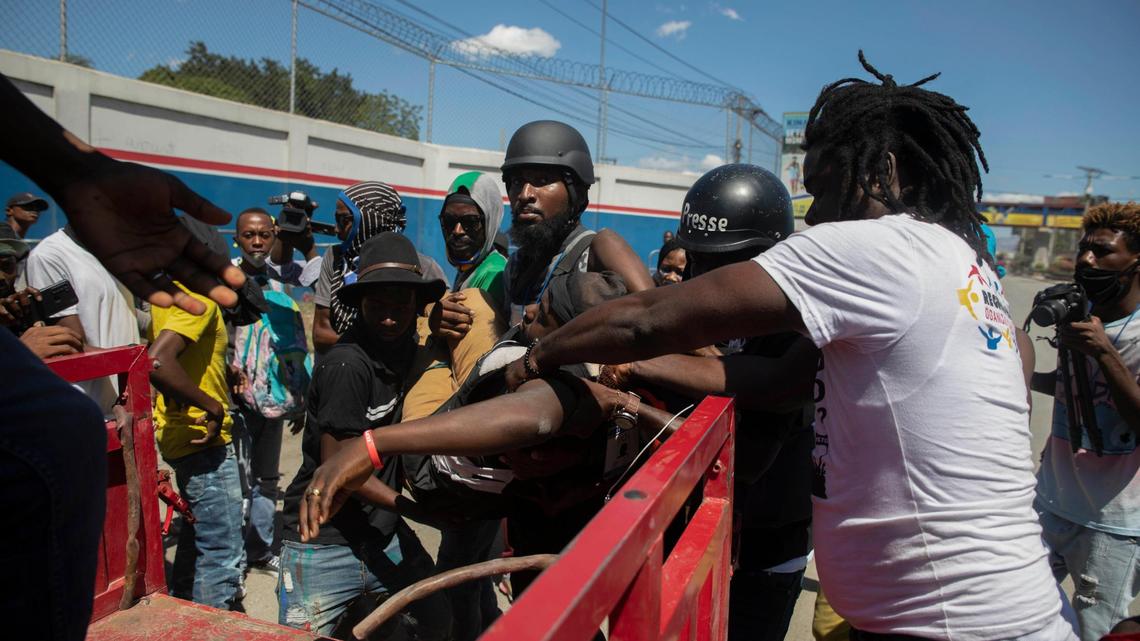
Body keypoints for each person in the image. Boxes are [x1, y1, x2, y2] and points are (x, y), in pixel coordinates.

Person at [504, 52, 1078, 640]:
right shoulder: (959, 262)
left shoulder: (874, 249)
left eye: (825, 189)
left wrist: (536, 358)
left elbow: (647, 319)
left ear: (881, 170)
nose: (818, 215)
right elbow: (776, 380)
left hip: (954, 624)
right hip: (975, 613)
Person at [0, 70, 242, 641]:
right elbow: (86, 343)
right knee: (58, 431)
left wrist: (80, 173)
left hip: (124, 418)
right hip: (96, 404)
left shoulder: (111, 249)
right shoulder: (52, 257)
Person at [602, 164, 815, 641]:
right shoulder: (683, 319)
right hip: (684, 540)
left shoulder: (800, 326)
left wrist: (643, 366)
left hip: (765, 553)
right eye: (696, 261)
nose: (702, 279)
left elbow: (752, 446)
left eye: (722, 265)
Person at [279, 232, 450, 638]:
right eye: (378, 305)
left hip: (382, 534)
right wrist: (415, 510)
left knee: (438, 620)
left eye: (401, 305)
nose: (389, 317)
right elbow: (342, 468)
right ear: (359, 303)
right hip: (325, 545)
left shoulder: (407, 352)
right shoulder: (347, 366)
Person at [1032, 202, 1140, 641]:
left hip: (1113, 526)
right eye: (1083, 249)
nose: (1085, 260)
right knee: (1016, 616)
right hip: (1049, 502)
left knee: (1097, 631)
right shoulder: (1082, 312)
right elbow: (1068, 387)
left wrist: (1102, 352)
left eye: (1101, 251)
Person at [499, 120, 655, 324]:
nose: (525, 194)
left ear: (577, 194)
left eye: (543, 181)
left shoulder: (595, 250)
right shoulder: (516, 267)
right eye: (517, 182)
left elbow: (656, 314)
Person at [148, 279, 243, 609]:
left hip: (183, 437)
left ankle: (183, 617)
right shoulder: (197, 298)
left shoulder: (166, 297)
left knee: (198, 541)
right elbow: (157, 361)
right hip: (203, 441)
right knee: (221, 553)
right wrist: (212, 405)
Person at [311, 181, 446, 353]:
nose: (337, 230)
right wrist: (368, 352)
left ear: (372, 220)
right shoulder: (335, 258)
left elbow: (438, 327)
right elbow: (320, 335)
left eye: (344, 220)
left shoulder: (420, 267)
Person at [24, 221, 142, 414]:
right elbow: (70, 342)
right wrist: (136, 365)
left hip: (128, 402)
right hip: (91, 410)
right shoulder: (48, 256)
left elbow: (121, 312)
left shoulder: (112, 254)